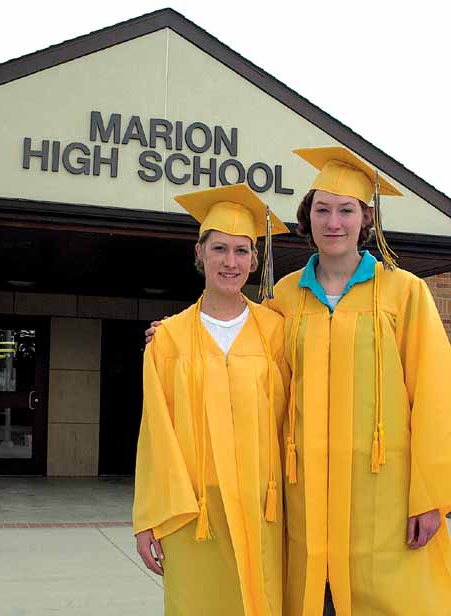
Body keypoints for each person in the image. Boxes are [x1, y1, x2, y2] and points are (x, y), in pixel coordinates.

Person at [267, 146, 451, 616]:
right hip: (305, 493)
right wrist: (177, 334)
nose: (334, 222)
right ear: (307, 218)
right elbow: (254, 374)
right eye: (322, 210)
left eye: (346, 210)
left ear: (366, 219)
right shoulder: (285, 295)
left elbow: (435, 395)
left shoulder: (403, 291)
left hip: (384, 495)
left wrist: (430, 496)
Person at [133, 183, 290, 616]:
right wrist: (148, 519)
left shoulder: (276, 332)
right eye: (219, 248)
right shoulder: (169, 339)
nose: (230, 262)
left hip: (263, 511)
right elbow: (155, 434)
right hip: (193, 514)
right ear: (199, 253)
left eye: (242, 251)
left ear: (255, 260)